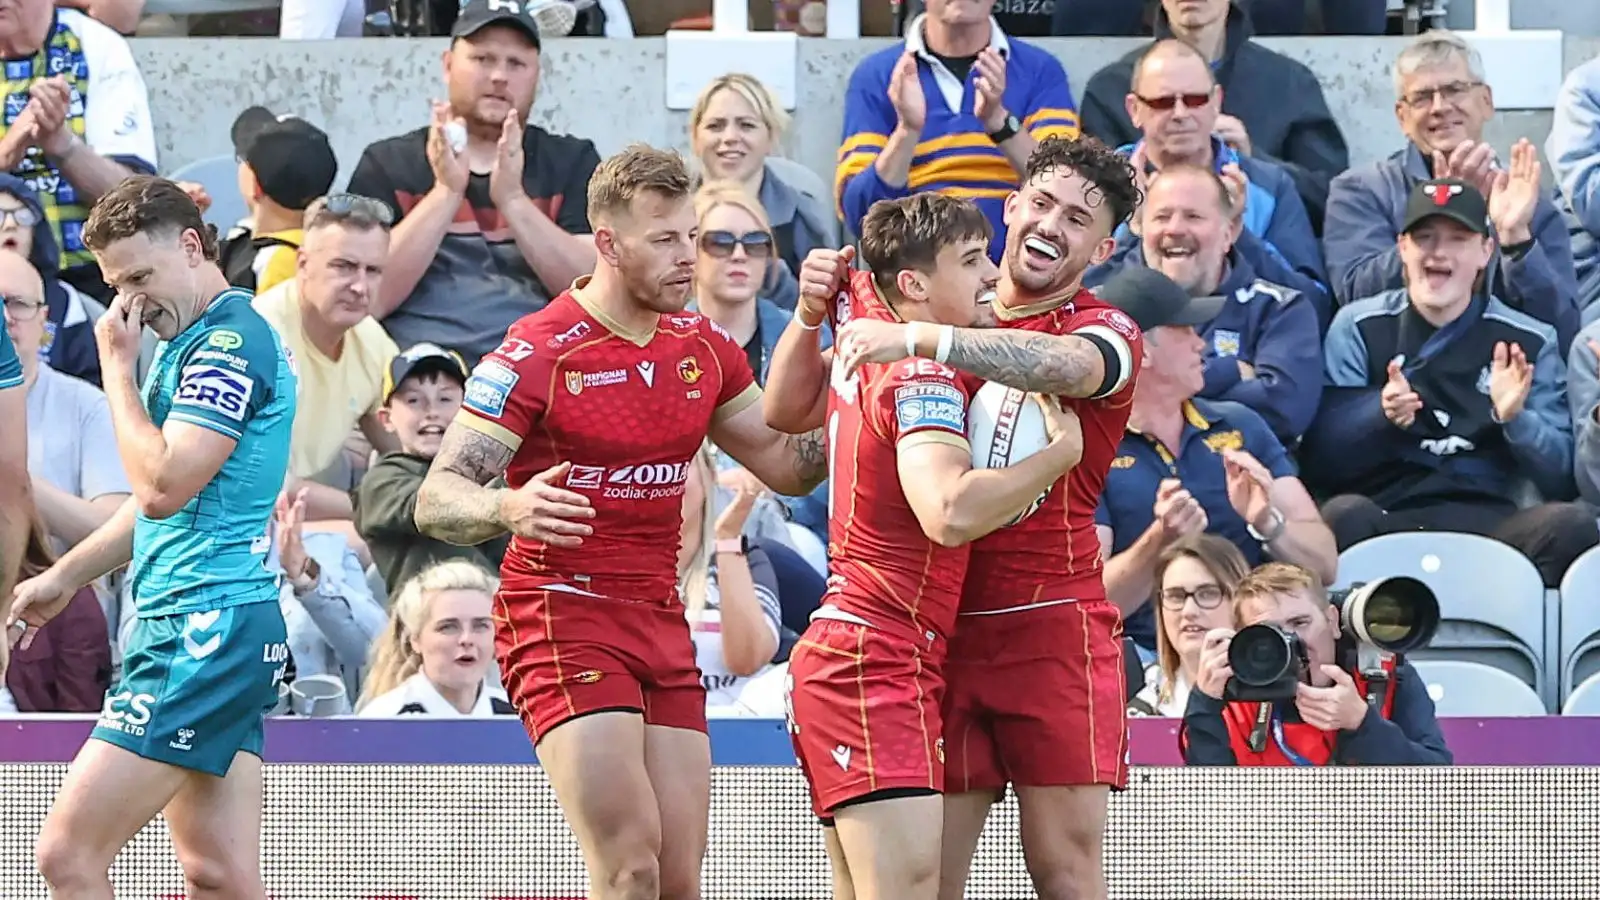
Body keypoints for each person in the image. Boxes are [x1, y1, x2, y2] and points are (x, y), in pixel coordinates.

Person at [412, 144, 827, 900]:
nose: (688, 258)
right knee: (629, 867)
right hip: (562, 615)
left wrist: (858, 383)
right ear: (608, 243)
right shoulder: (538, 351)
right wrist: (508, 505)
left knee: (677, 880)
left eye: (693, 236)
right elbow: (435, 499)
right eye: (665, 240)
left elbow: (789, 466)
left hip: (660, 617)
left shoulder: (701, 345)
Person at [802, 136, 1145, 900]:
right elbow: (801, 418)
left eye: (1080, 218)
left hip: (1052, 629)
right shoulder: (943, 302)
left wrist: (920, 336)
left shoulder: (1104, 329)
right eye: (1044, 202)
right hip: (939, 634)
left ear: (1105, 244)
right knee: (926, 882)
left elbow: (1073, 370)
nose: (1054, 224)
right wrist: (810, 309)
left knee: (1065, 872)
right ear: (1012, 206)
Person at [7, 175, 297, 899]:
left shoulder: (228, 343)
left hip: (203, 623)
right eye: (113, 284)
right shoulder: (186, 339)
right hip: (208, 617)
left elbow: (162, 485)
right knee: (218, 874)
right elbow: (162, 508)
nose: (128, 302)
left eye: (139, 275)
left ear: (192, 245)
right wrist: (66, 574)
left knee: (67, 856)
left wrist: (115, 369)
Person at [1182, 562, 1453, 766]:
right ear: (1246, 639)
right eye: (1269, 631)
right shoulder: (1230, 694)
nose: (1292, 640)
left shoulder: (1383, 675)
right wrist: (1204, 703)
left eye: (1300, 623)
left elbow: (1438, 784)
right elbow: (1209, 807)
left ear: (1333, 621)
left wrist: (1362, 724)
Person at [354, 342, 505, 594]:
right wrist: (507, 500)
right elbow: (432, 504)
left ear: (469, 411)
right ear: (386, 419)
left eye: (445, 399)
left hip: (497, 622)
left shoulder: (489, 475)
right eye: (414, 400)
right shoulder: (382, 481)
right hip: (425, 625)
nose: (432, 411)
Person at [356, 560, 512, 717]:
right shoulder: (383, 720)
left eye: (480, 626)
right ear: (415, 639)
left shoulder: (520, 718)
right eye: (448, 627)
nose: (467, 639)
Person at [1127, 533, 1249, 717]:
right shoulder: (1136, 699)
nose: (1188, 611)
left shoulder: (1276, 697)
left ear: (1240, 602)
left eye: (1208, 593)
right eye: (1175, 596)